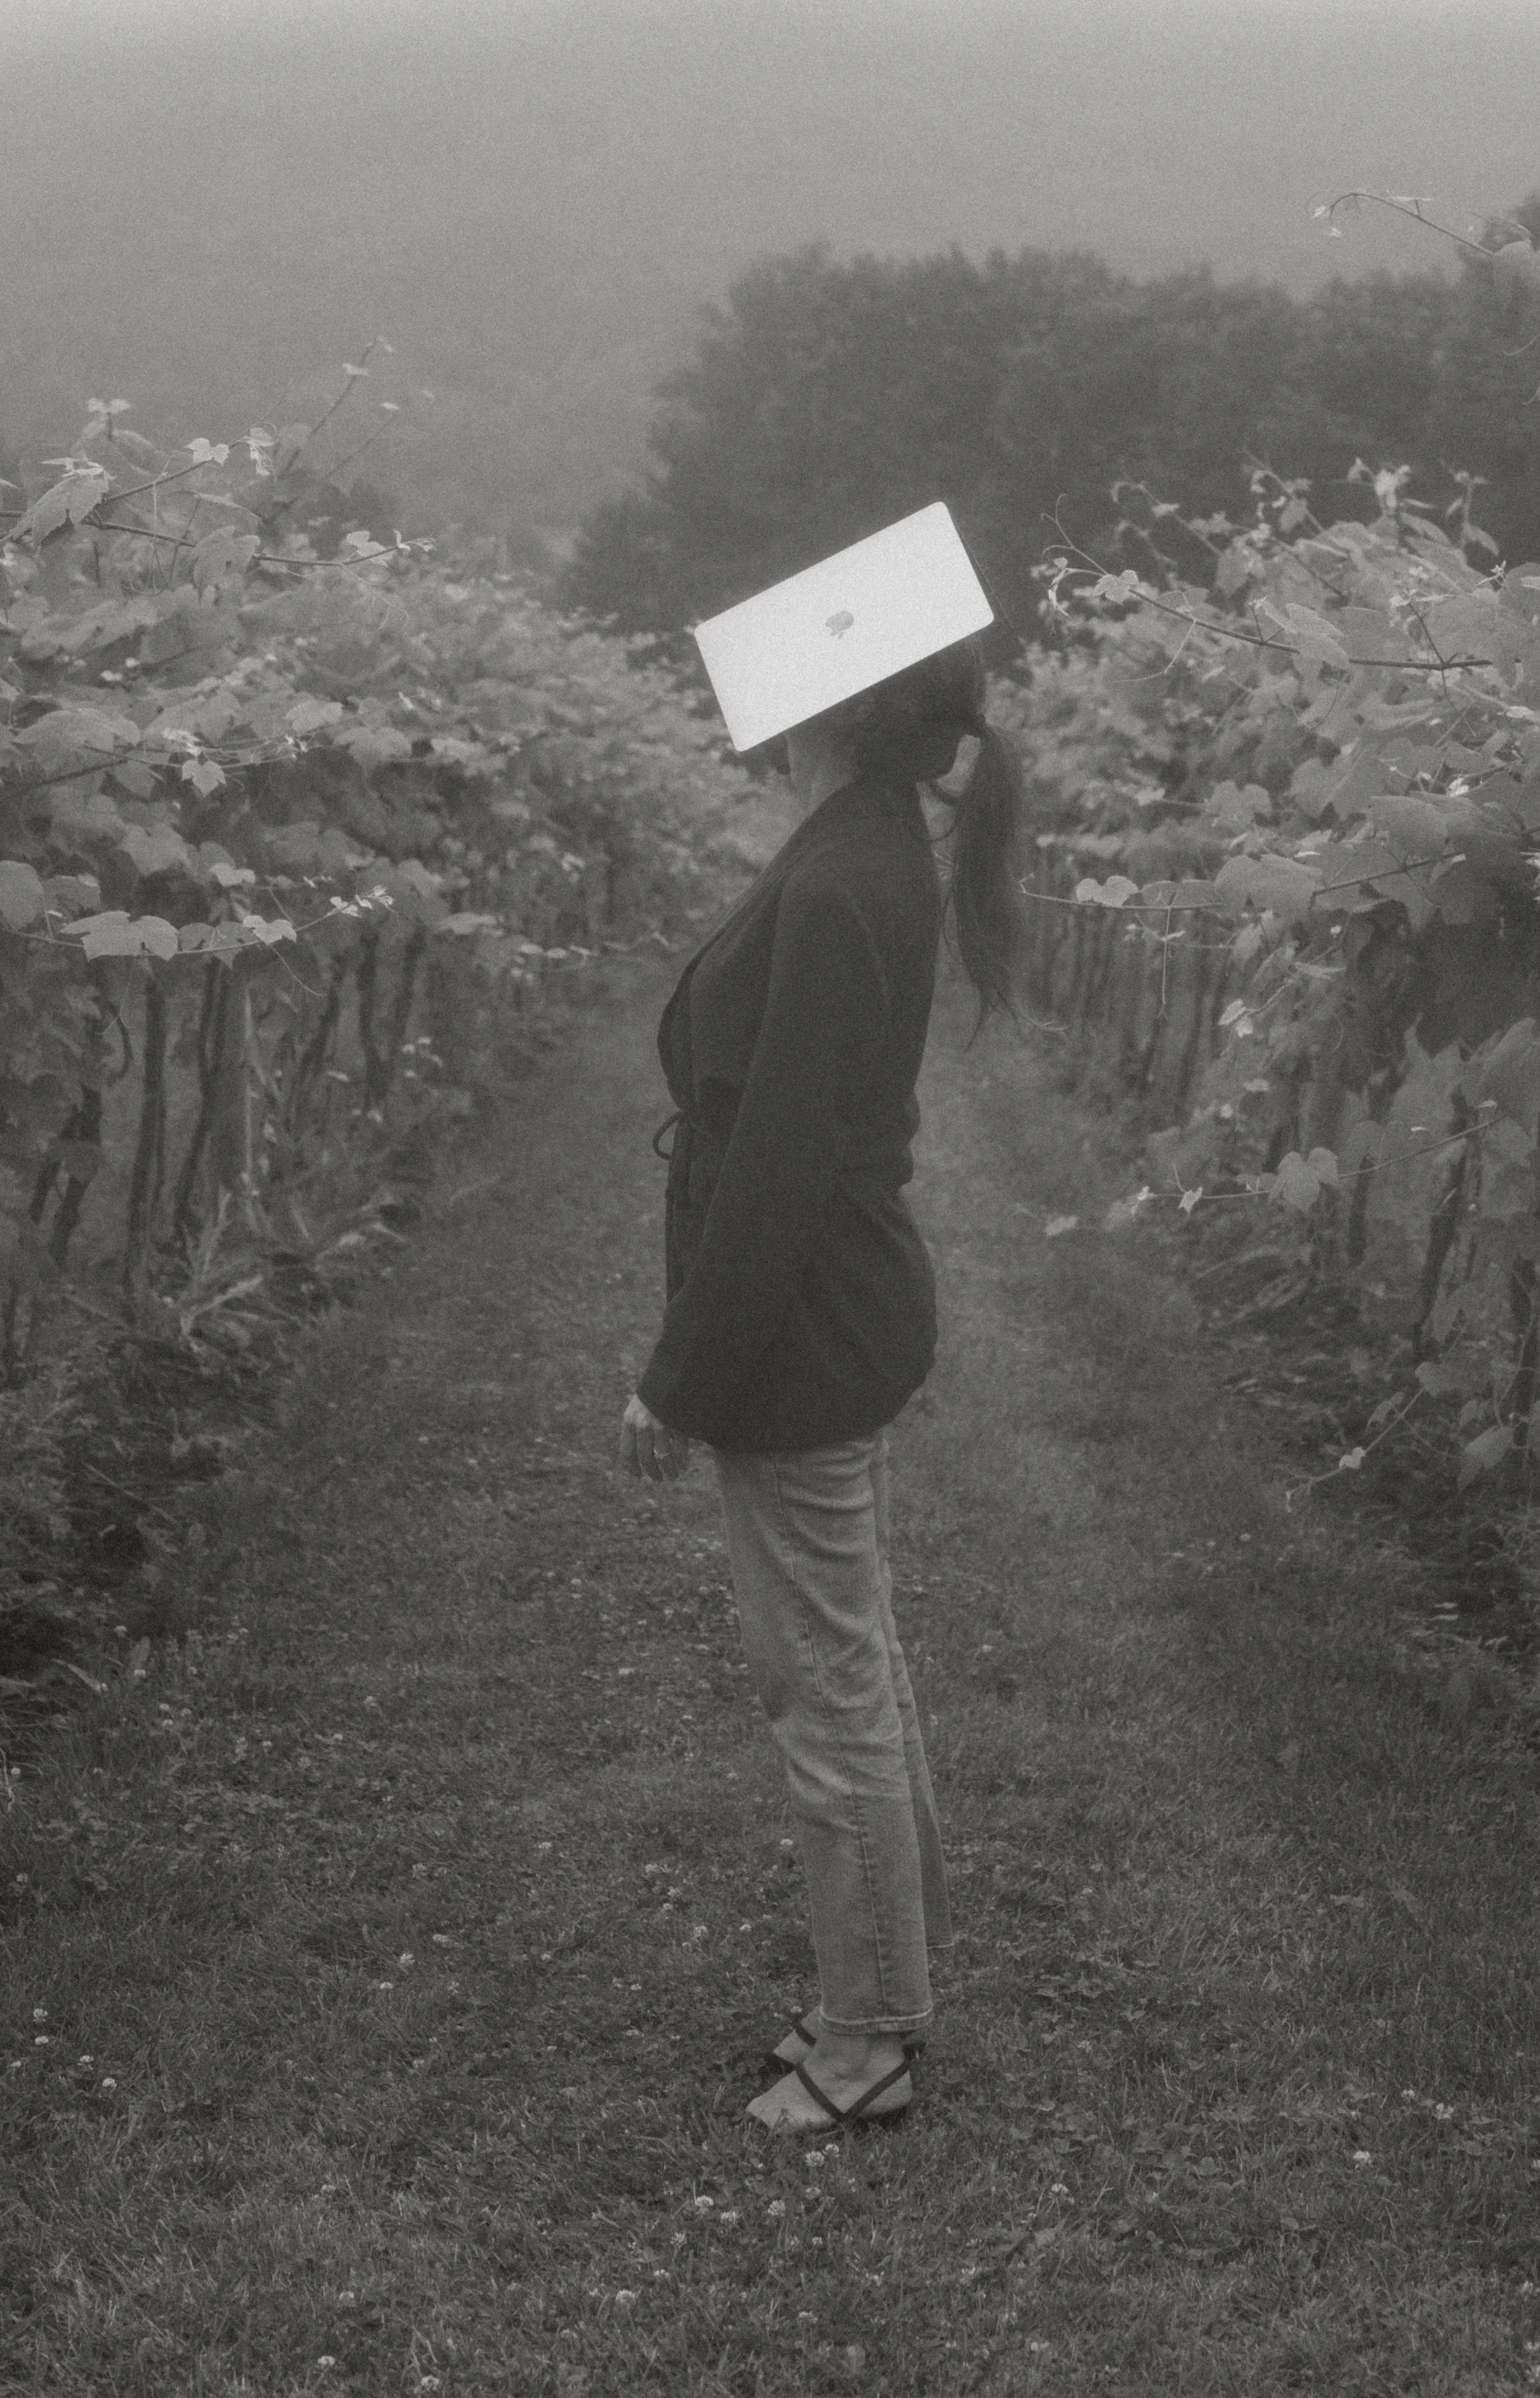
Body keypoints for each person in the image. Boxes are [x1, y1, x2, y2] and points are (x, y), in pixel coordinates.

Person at [617, 589, 1022, 2137]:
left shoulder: (851, 868)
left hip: (807, 1326)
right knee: (854, 1658)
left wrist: (681, 1377)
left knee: (828, 1684)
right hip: (833, 1312)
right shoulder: (861, 841)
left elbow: (779, 1167)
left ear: (837, 699)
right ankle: (890, 1977)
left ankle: (868, 2037)